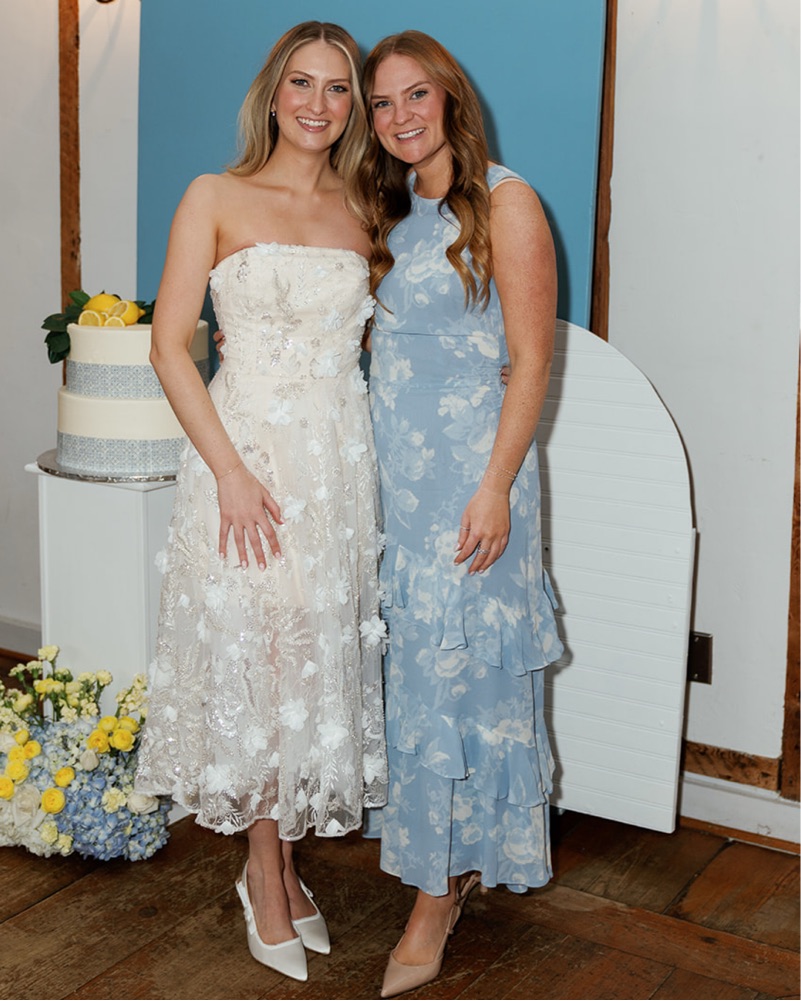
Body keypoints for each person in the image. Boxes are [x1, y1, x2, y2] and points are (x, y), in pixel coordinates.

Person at [134, 21, 387, 984]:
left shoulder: (367, 208)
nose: (318, 104)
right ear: (273, 93)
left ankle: (274, 863)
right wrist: (232, 472)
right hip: (242, 466)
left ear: (352, 106)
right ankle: (264, 875)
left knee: (308, 658)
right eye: (301, 83)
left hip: (335, 471)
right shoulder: (214, 194)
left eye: (337, 88)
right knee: (266, 658)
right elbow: (169, 344)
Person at [358, 30, 564, 998]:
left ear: (450, 99)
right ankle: (451, 857)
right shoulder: (391, 211)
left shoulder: (507, 202)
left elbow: (532, 361)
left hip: (475, 487)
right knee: (420, 684)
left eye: (416, 95)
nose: (399, 116)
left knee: (458, 681)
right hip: (397, 491)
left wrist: (494, 487)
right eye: (382, 103)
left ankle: (433, 899)